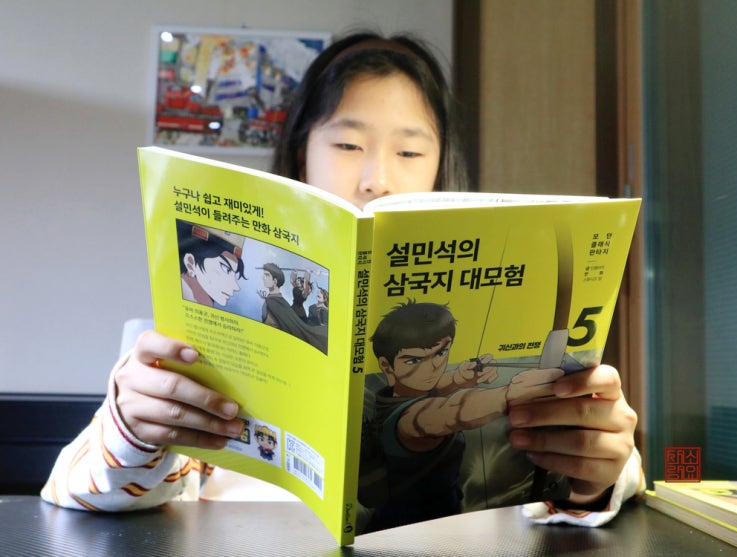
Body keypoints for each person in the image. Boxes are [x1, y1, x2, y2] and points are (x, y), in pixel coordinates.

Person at [42, 31, 644, 526]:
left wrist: (593, 478)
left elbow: (588, 492)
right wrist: (132, 428)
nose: (376, 178)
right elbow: (71, 490)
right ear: (301, 153)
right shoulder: (203, 328)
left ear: (440, 168)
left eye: (410, 153)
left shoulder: (476, 339)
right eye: (349, 144)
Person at [358, 300, 563, 532]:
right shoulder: (412, 420)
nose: (432, 367)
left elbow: (432, 388)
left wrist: (459, 378)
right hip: (411, 531)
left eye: (440, 353)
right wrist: (506, 395)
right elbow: (454, 411)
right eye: (413, 360)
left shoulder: (391, 394)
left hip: (429, 524)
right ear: (387, 366)